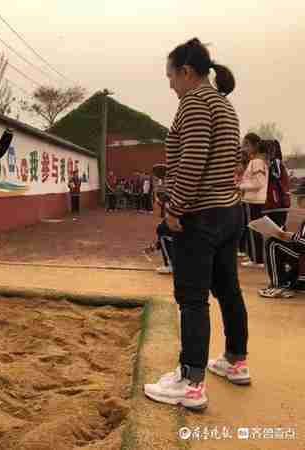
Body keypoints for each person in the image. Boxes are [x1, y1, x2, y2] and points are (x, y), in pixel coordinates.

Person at [144, 38, 249, 412]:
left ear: (186, 72)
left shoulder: (194, 103)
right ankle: (236, 360)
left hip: (200, 215)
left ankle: (191, 382)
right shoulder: (224, 103)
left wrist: (174, 208)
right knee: (229, 290)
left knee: (192, 299)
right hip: (229, 213)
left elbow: (191, 162)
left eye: (170, 76)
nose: (170, 84)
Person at [239, 137, 269, 268]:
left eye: (246, 145)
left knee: (253, 229)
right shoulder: (259, 161)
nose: (244, 147)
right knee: (255, 229)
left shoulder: (256, 162)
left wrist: (240, 186)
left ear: (254, 146)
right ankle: (257, 257)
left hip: (254, 200)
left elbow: (259, 183)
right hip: (256, 200)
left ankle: (257, 259)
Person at [263, 139, 291, 230]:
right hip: (274, 205)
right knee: (277, 231)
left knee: (278, 231)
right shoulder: (274, 163)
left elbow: (276, 176)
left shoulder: (276, 163)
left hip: (278, 205)